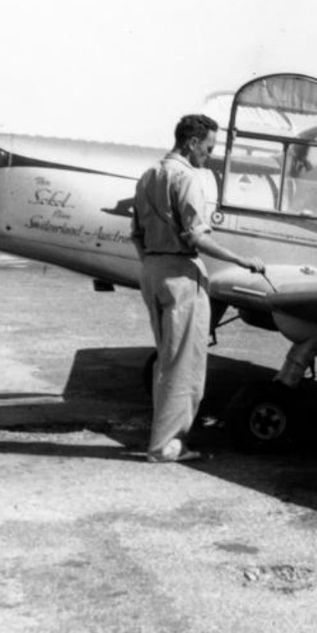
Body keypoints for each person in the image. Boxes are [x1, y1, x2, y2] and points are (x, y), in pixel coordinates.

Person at [131, 114, 265, 462]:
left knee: (166, 361)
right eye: (208, 147)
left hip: (152, 270)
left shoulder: (148, 176)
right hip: (179, 274)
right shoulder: (186, 178)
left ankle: (164, 441)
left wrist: (152, 262)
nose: (209, 155)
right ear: (191, 143)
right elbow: (196, 236)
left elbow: (135, 234)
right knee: (184, 365)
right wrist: (242, 261)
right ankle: (166, 446)